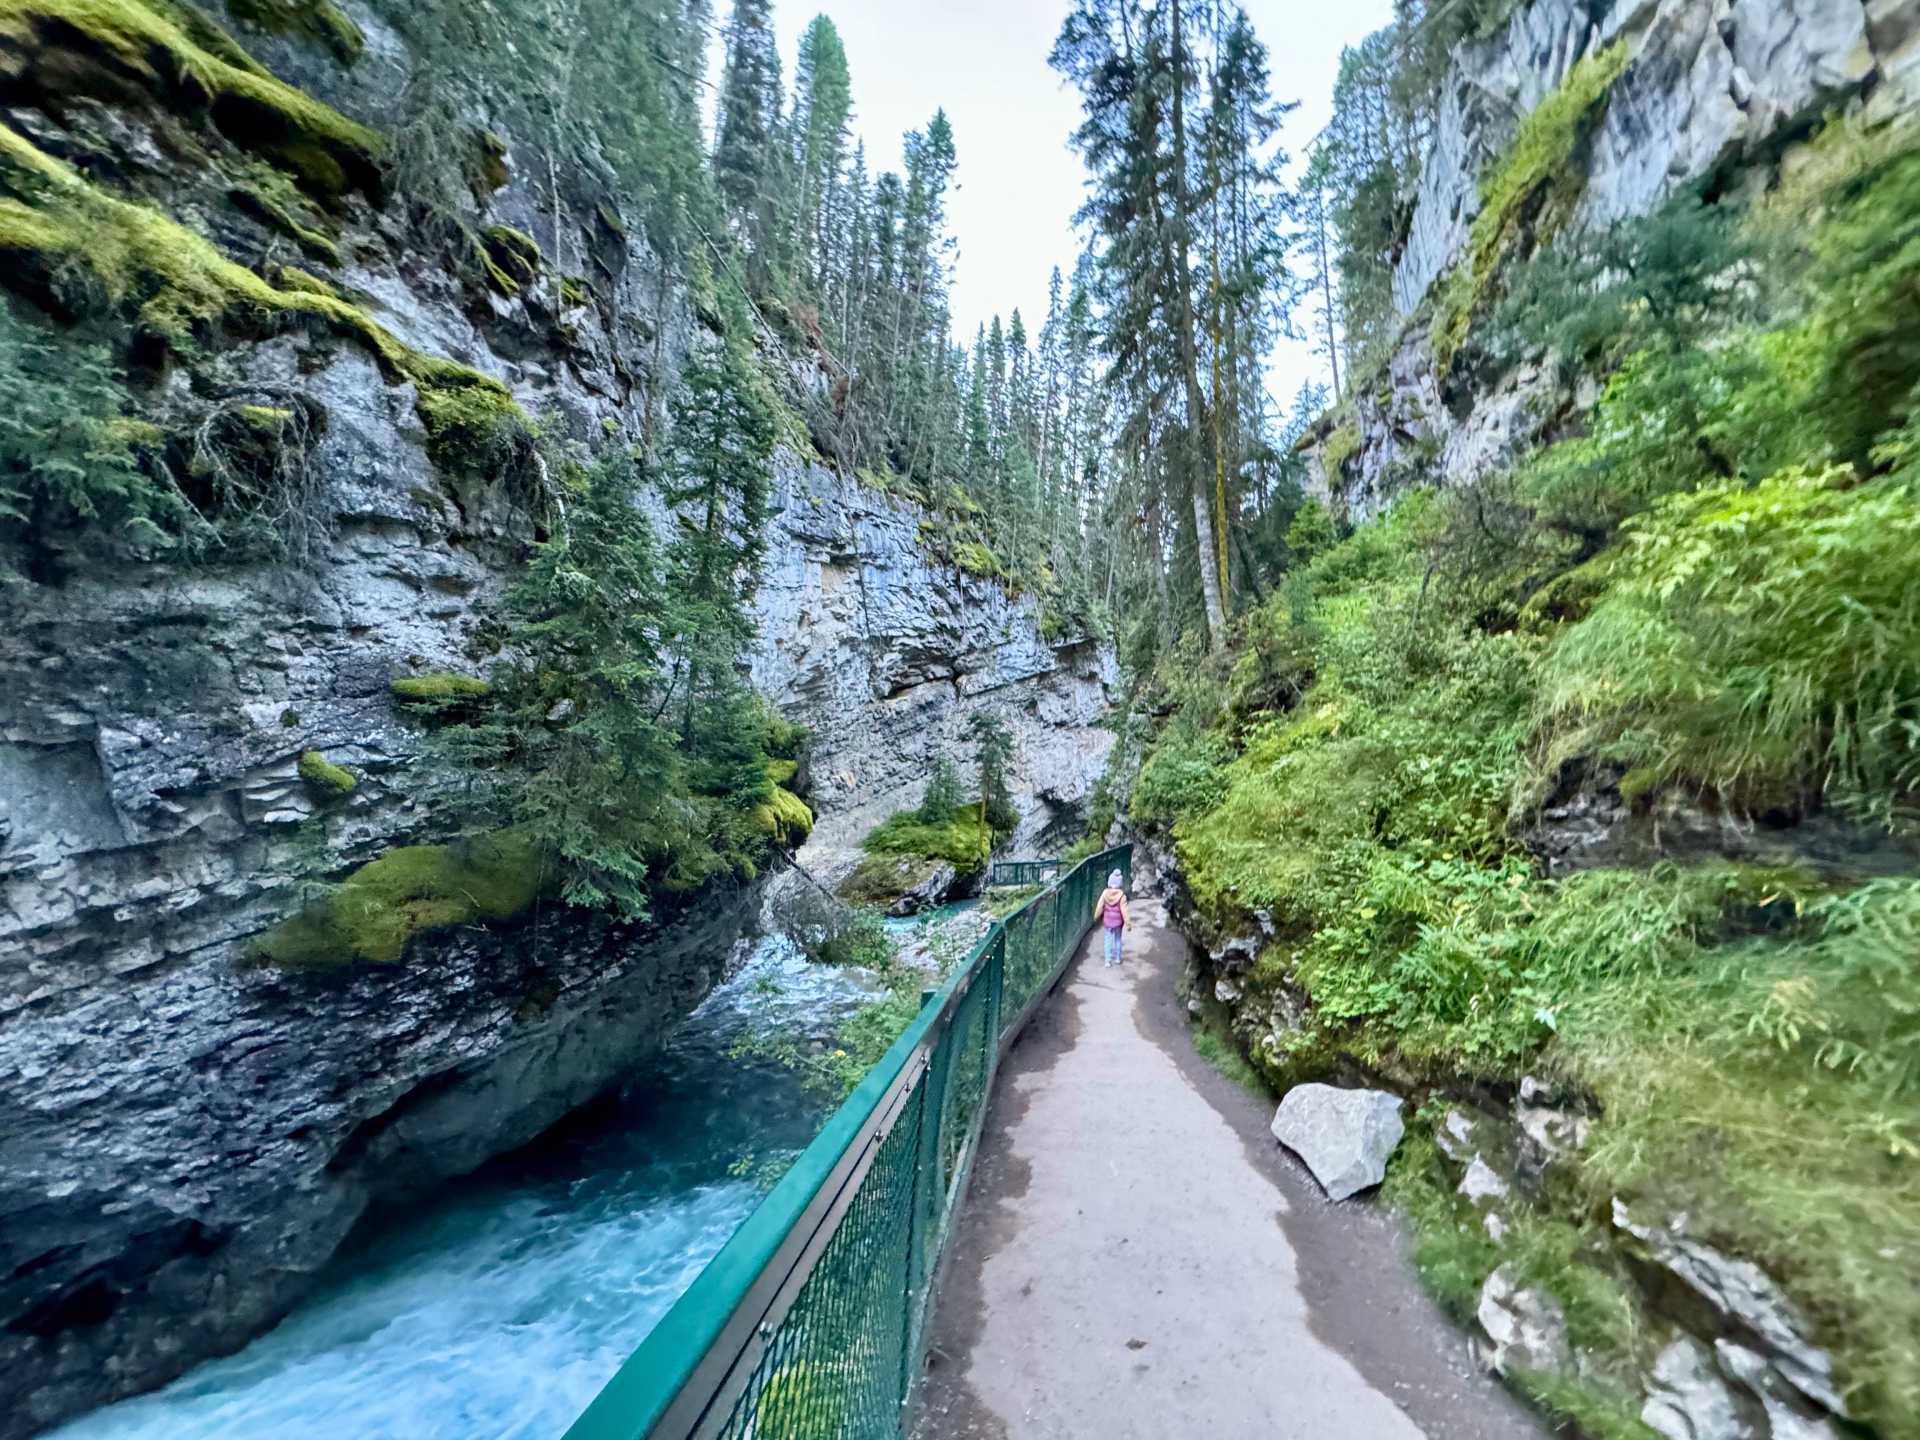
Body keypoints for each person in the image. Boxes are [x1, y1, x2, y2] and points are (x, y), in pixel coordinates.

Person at [1094, 869, 1130, 967]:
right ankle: (1118, 958)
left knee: (1108, 940)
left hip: (1107, 922)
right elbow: (1125, 911)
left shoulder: (1105, 893)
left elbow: (1099, 906)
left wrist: (1096, 916)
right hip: (1118, 922)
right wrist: (1128, 923)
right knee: (1118, 939)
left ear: (1110, 882)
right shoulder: (1122, 895)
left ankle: (1108, 960)